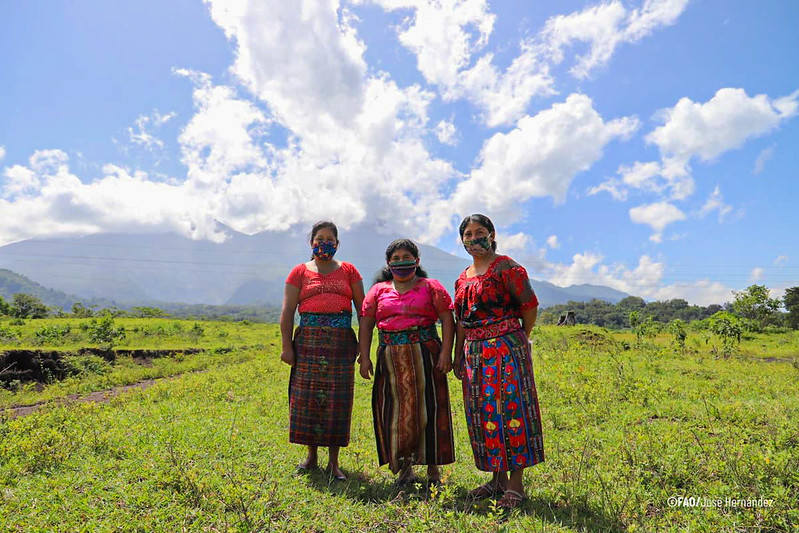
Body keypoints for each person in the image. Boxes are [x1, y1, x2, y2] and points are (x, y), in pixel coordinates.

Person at [452, 214, 544, 510]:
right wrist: (457, 354)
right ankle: (497, 480)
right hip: (474, 354)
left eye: (480, 232)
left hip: (506, 349)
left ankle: (516, 486)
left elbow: (529, 306)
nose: (474, 237)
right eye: (468, 233)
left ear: (492, 235)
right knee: (485, 414)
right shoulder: (462, 278)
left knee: (511, 411)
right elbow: (461, 322)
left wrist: (517, 338)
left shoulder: (508, 267)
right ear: (462, 239)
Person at [358, 239, 456, 486]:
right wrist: (365, 356)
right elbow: (367, 323)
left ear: (417, 260)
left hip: (427, 354)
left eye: (406, 257)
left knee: (430, 408)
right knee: (396, 412)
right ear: (388, 264)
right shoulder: (378, 290)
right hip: (390, 358)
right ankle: (405, 468)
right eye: (396, 259)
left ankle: (433, 469)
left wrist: (446, 353)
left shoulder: (431, 287)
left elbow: (446, 318)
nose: (402, 263)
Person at [280, 221, 365, 481]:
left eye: (329, 239)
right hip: (308, 343)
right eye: (319, 239)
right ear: (311, 243)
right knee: (307, 399)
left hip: (341, 343)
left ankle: (334, 462)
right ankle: (311, 456)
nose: (324, 243)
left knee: (337, 401)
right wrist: (286, 347)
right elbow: (287, 312)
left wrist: (364, 347)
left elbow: (363, 312)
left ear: (337, 244)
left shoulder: (350, 271)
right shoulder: (299, 272)